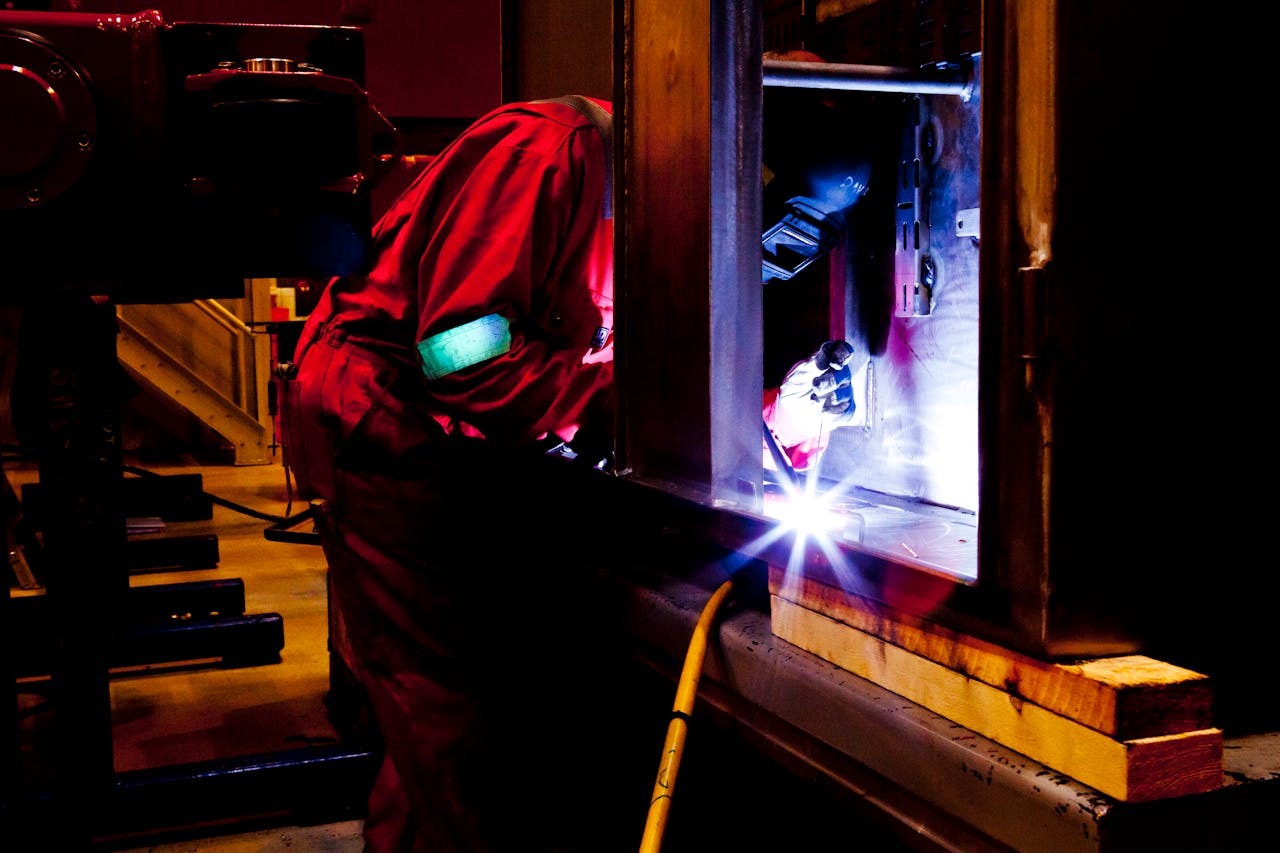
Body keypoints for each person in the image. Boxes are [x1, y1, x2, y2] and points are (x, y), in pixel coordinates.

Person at [280, 91, 856, 851]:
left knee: (455, 708)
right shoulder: (549, 153)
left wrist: (777, 412)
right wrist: (622, 414)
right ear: (722, 167)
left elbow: (637, 360)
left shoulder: (661, 209)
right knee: (455, 712)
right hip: (385, 427)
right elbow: (457, 351)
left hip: (469, 440)